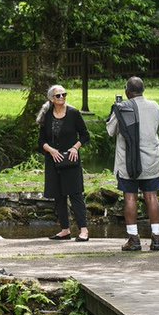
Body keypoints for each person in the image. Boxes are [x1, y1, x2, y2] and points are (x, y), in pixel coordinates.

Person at [106, 76, 159, 251]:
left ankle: (134, 239)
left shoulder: (123, 108)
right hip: (151, 160)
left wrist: (115, 111)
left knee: (130, 197)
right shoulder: (155, 107)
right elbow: (157, 129)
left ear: (127, 92)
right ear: (143, 90)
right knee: (151, 196)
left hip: (128, 162)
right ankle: (157, 238)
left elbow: (110, 131)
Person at [37, 84, 91, 241]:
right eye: (58, 95)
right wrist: (51, 150)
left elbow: (85, 135)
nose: (62, 97)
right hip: (53, 161)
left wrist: (75, 148)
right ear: (51, 99)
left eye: (64, 94)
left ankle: (84, 230)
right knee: (58, 196)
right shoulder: (46, 116)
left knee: (75, 194)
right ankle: (65, 230)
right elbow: (41, 141)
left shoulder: (73, 113)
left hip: (71, 160)